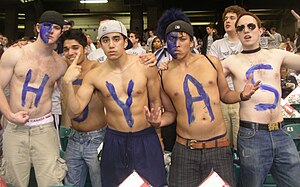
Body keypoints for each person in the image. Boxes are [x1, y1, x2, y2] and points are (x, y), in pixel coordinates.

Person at [152, 9, 259, 187]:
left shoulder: (211, 62)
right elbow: (171, 112)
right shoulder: (163, 73)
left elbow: (225, 94)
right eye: (171, 39)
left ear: (192, 41)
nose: (177, 44)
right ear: (165, 43)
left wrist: (242, 95)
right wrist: (159, 121)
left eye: (182, 38)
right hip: (185, 149)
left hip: (218, 147)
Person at [63, 20, 166, 187]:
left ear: (126, 42)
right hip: (115, 139)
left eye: (116, 39)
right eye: (105, 40)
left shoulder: (145, 65)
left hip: (145, 136)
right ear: (99, 44)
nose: (111, 45)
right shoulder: (95, 75)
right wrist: (67, 83)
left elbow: (155, 102)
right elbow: (75, 111)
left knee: (153, 183)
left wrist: (159, 137)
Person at [222, 11, 300, 187]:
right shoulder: (230, 62)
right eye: (241, 28)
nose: (246, 31)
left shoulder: (276, 55)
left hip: (281, 132)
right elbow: (203, 74)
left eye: (251, 26)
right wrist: (165, 63)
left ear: (260, 30)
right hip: (252, 135)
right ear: (237, 33)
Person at [0, 10, 68, 186]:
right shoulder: (15, 54)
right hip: (15, 128)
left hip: (43, 128)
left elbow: (69, 96)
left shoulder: (60, 64)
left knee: (51, 181)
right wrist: (8, 114)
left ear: (61, 32)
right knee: (15, 182)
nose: (51, 31)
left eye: (56, 28)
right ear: (37, 28)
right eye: (47, 26)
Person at [61, 29, 106, 187]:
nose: (70, 52)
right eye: (66, 49)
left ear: (85, 48)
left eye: (75, 48)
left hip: (97, 138)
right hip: (74, 137)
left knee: (100, 183)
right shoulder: (64, 71)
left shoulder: (99, 69)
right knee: (71, 184)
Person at [209, 5, 246, 150]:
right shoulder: (217, 45)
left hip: (242, 98)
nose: (227, 21)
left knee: (240, 141)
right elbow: (211, 69)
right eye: (225, 18)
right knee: (224, 141)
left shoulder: (246, 42)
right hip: (222, 98)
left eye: (232, 18)